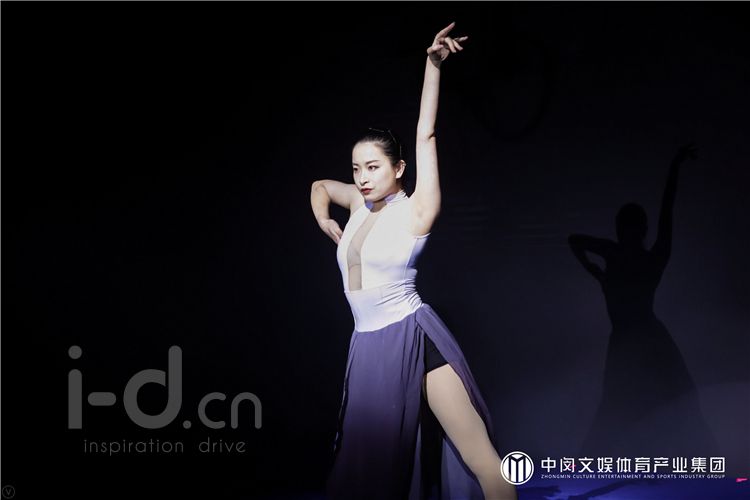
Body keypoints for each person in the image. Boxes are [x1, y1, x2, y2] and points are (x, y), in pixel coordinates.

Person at [311, 22, 518, 500]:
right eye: (357, 169)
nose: (362, 178)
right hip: (366, 347)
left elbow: (425, 133)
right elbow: (319, 187)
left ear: (399, 168)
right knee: (367, 470)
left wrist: (432, 65)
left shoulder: (416, 211)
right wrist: (323, 219)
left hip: (413, 336)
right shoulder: (359, 203)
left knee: (481, 457)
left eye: (373, 167)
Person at [569, 142, 717, 458]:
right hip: (637, 339)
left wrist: (594, 270)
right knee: (633, 401)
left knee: (669, 397)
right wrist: (594, 270)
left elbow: (666, 211)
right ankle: (595, 462)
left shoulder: (628, 255)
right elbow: (576, 241)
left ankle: (693, 457)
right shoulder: (629, 254)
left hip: (643, 338)